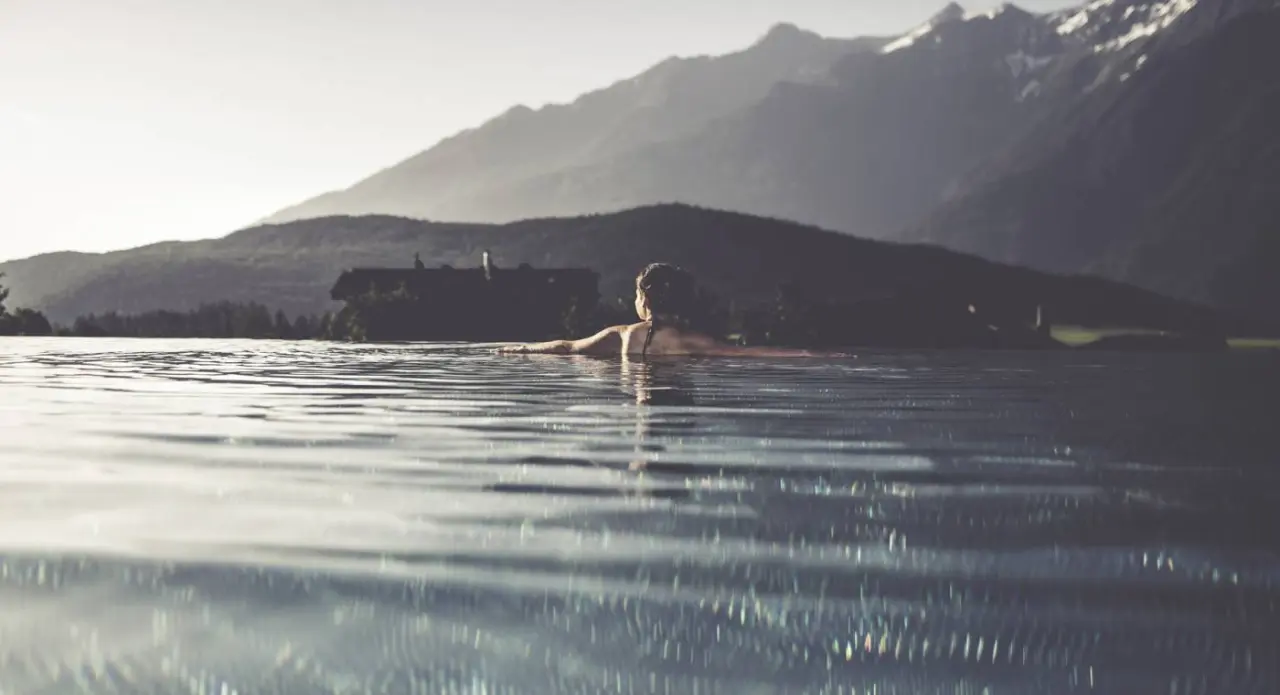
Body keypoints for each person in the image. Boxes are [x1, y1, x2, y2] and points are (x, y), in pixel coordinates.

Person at [496, 263, 835, 357]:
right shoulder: (691, 341)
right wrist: (809, 354)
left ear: (643, 299)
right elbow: (752, 354)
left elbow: (566, 347)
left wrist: (522, 348)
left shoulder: (620, 337)